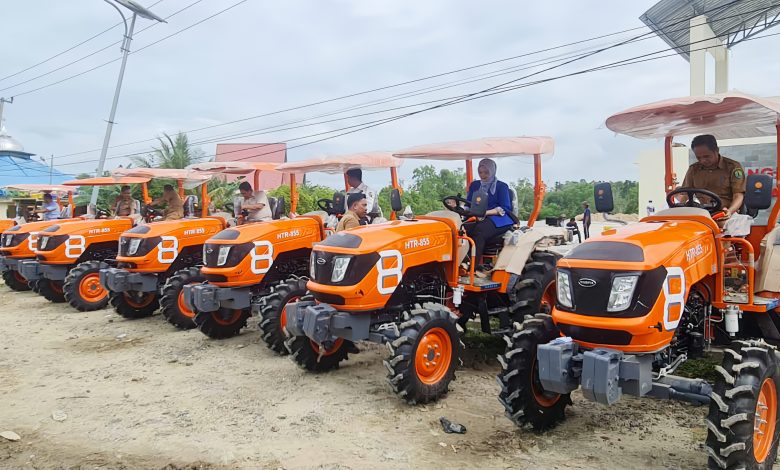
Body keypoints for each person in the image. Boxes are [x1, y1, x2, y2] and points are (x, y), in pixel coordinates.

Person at [465, 158, 514, 273]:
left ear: (492, 171)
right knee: (461, 229)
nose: (483, 175)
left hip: (498, 217)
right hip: (478, 216)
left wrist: (485, 212)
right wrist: (461, 210)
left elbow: (505, 208)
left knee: (479, 231)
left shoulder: (501, 186)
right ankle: (458, 261)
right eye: (480, 172)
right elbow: (468, 203)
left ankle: (471, 266)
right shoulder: (475, 185)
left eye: (486, 172)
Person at [680, 134, 746, 216]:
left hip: (725, 212)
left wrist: (729, 211)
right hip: (701, 213)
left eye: (707, 156)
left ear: (717, 150)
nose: (703, 160)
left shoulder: (733, 167)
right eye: (699, 158)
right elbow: (685, 194)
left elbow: (738, 195)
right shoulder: (693, 169)